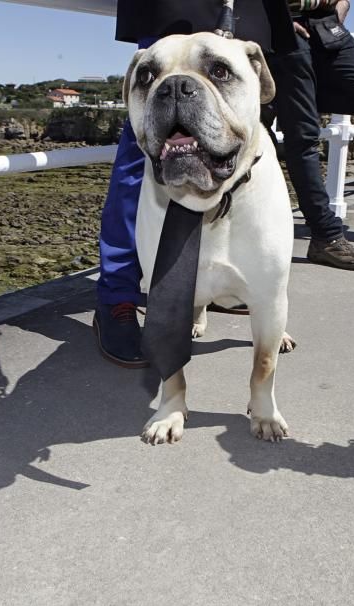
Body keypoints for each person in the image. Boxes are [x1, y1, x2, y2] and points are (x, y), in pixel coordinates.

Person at [94, 0, 297, 368]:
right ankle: (119, 294)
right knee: (141, 162)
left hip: (250, 9)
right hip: (171, 7)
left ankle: (236, 284)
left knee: (241, 148)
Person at [267, 0, 354, 271]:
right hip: (284, 28)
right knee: (304, 135)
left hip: (326, 24)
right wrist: (271, 21)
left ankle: (291, 105)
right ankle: (326, 236)